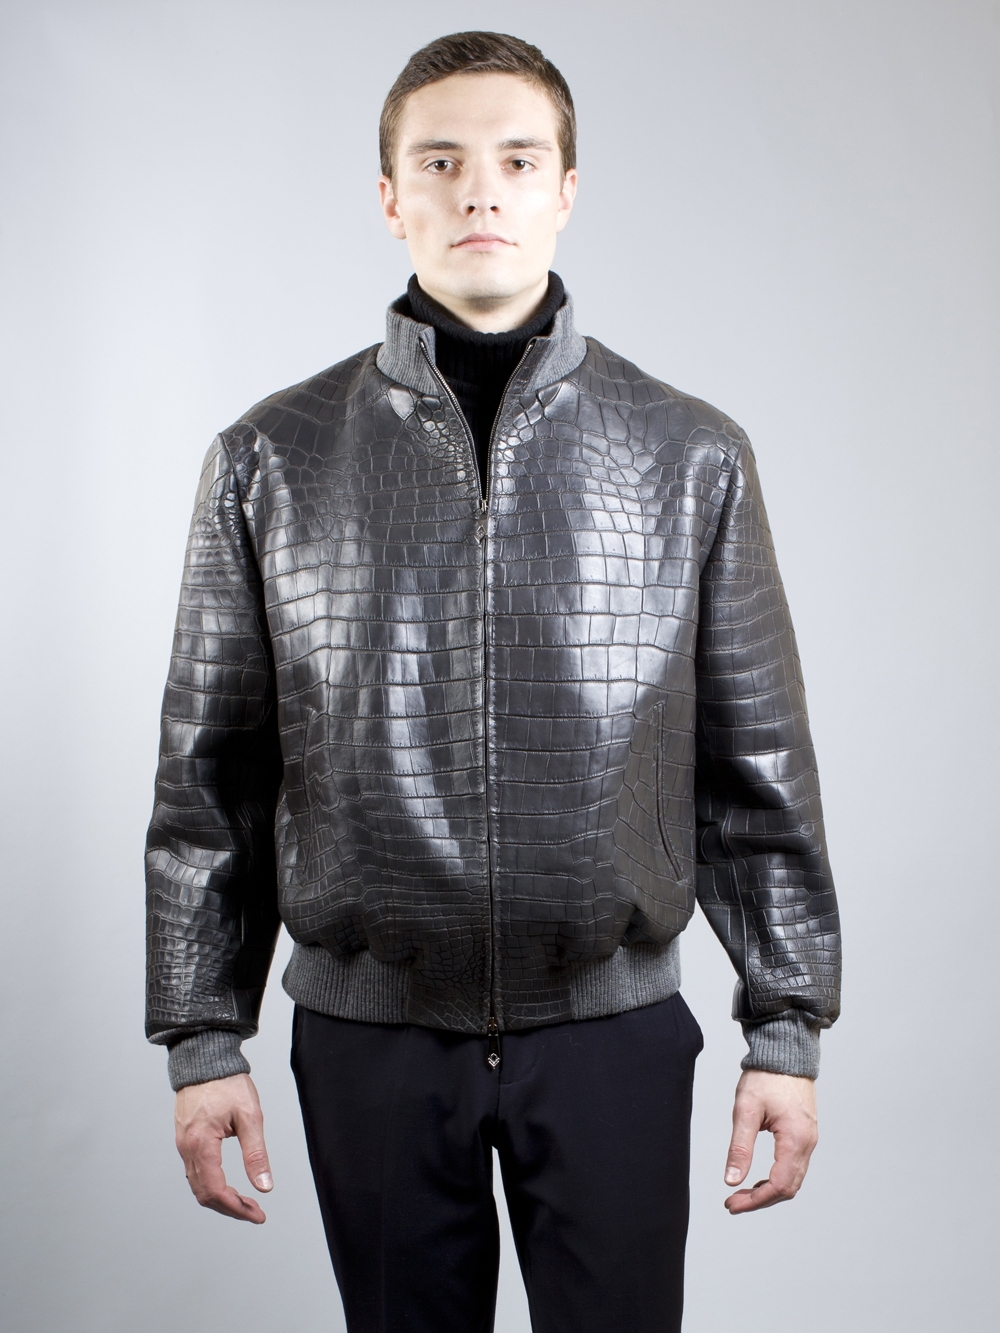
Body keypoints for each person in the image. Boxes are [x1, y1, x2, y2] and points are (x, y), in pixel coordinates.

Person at [146, 30, 841, 1333]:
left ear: (565, 189)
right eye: (441, 161)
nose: (480, 191)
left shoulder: (691, 454)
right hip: (370, 1038)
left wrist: (786, 1028)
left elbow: (756, 764)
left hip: (612, 1034)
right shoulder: (269, 459)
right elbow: (211, 776)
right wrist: (203, 1039)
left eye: (518, 161)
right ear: (390, 196)